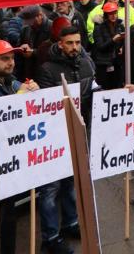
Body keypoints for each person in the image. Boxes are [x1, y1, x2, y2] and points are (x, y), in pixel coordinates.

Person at [35, 26, 97, 254]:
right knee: (51, 189)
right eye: (69, 43)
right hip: (54, 136)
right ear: (60, 43)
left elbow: (94, 89)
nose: (74, 47)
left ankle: (70, 223)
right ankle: (50, 237)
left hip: (78, 131)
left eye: (77, 42)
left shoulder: (85, 63)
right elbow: (46, 105)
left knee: (71, 182)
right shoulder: (47, 69)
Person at [0, 41, 39, 254]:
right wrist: (23, 96)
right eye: (4, 58)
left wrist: (28, 88)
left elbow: (14, 85)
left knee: (7, 216)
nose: (11, 63)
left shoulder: (1, 77)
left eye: (12, 58)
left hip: (5, 162)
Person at [91, 1, 126, 90]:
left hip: (117, 63)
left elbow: (124, 42)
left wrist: (122, 47)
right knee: (104, 88)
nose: (113, 15)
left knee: (117, 87)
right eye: (110, 13)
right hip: (103, 64)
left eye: (115, 13)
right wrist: (113, 40)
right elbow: (100, 47)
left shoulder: (120, 26)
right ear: (106, 15)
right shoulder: (98, 28)